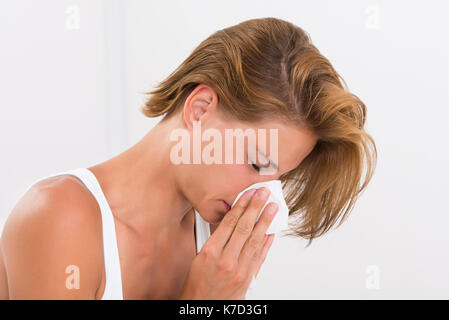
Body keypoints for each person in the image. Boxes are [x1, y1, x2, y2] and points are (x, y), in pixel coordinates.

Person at [0, 17, 376, 299]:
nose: (258, 198)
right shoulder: (61, 217)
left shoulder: (216, 242)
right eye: (257, 164)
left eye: (275, 179)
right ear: (199, 110)